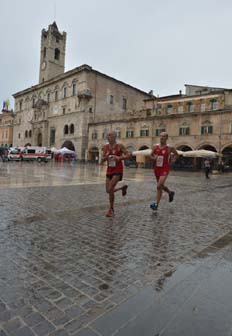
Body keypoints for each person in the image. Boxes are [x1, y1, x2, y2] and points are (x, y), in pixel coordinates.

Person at [101, 131, 131, 217]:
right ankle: (122, 188)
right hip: (109, 170)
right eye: (107, 135)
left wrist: (119, 157)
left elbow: (128, 155)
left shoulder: (120, 146)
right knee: (108, 190)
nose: (108, 136)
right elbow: (101, 161)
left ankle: (111, 209)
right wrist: (105, 157)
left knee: (110, 189)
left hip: (118, 170)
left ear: (115, 137)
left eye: (110, 135)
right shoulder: (105, 147)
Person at [150, 132, 178, 211]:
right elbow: (150, 155)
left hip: (165, 168)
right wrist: (153, 158)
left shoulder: (170, 148)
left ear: (167, 138)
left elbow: (176, 154)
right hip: (156, 168)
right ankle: (170, 193)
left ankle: (156, 204)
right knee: (161, 186)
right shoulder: (155, 147)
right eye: (161, 136)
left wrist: (173, 160)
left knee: (159, 186)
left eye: (164, 136)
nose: (161, 138)